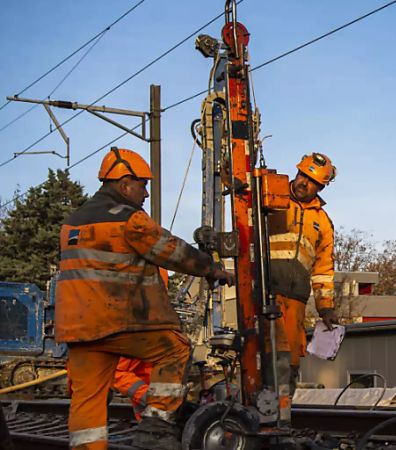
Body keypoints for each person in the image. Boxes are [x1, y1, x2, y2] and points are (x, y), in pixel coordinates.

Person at [56, 147, 234, 450]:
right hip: (118, 320)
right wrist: (212, 269)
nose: (146, 193)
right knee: (176, 350)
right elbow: (172, 251)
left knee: (88, 400)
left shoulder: (73, 222)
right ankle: (156, 428)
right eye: (143, 185)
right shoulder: (129, 219)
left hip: (78, 329)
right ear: (125, 183)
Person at [267, 152, 337, 403]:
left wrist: (326, 308)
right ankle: (263, 407)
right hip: (266, 289)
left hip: (295, 298)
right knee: (267, 351)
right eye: (301, 175)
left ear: (320, 186)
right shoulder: (271, 196)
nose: (302, 183)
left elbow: (323, 270)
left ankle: (282, 413)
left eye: (310, 180)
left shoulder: (322, 222)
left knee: (290, 357)